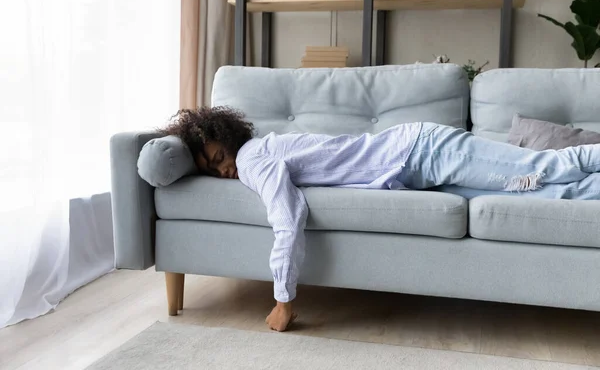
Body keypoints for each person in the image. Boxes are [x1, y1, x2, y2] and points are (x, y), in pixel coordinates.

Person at [159, 107, 600, 332]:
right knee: (549, 191)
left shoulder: (254, 159)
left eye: (220, 158)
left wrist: (283, 298)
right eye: (213, 170)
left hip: (424, 151)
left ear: (231, 140)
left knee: (546, 168)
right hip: (417, 168)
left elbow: (286, 215)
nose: (224, 171)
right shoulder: (256, 156)